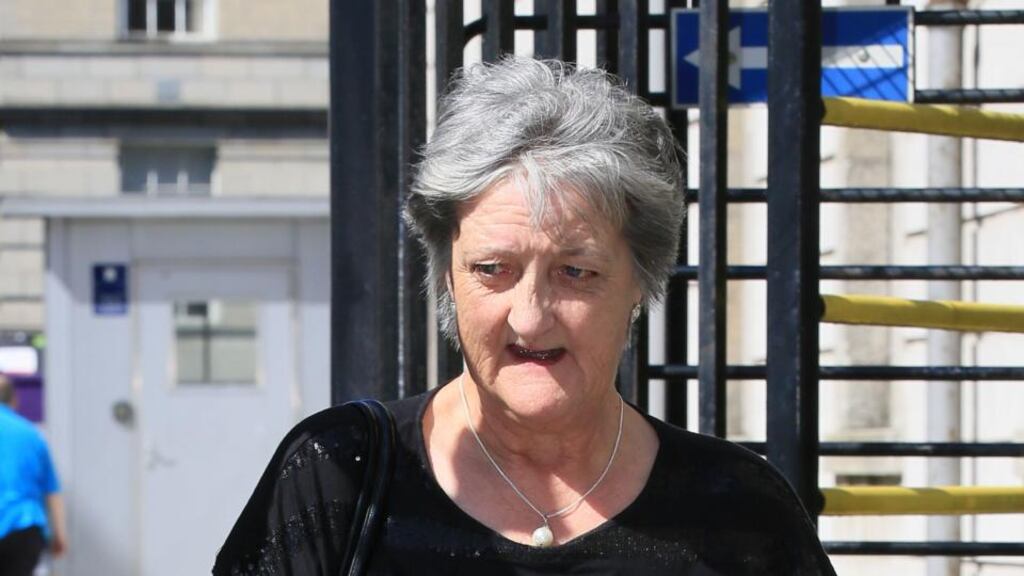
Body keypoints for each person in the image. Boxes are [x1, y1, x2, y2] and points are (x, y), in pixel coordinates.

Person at [214, 57, 836, 575]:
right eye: (493, 270)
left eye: (576, 272)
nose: (531, 320)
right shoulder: (335, 481)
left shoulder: (741, 514)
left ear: (640, 282)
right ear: (448, 277)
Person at [0, 374, 67, 576]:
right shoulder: (32, 434)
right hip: (25, 527)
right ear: (14, 400)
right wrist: (60, 534)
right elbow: (52, 489)